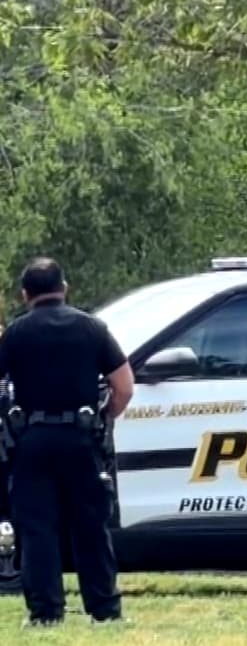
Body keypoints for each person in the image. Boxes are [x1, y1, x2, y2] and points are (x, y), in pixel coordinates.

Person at [0, 257, 134, 626]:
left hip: (32, 441)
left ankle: (45, 614)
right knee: (90, 525)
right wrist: (104, 417)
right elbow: (124, 386)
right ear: (65, 287)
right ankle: (105, 611)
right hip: (81, 439)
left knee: (37, 529)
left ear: (25, 294)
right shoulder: (93, 328)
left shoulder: (16, 334)